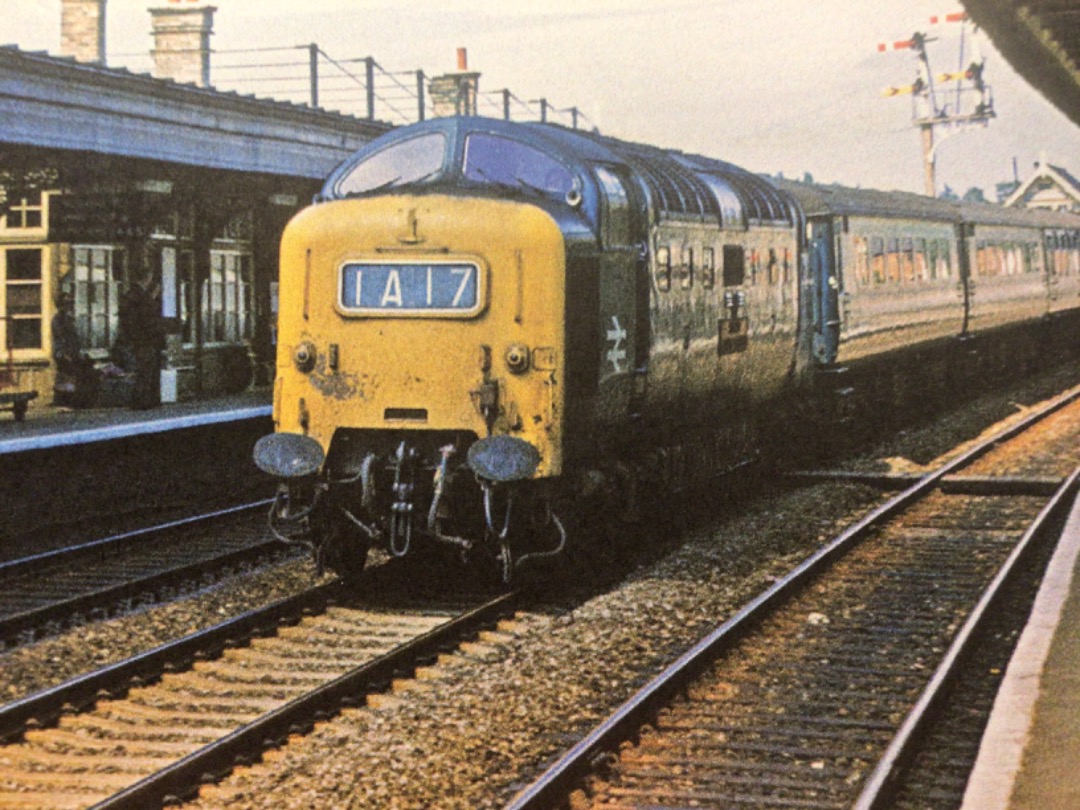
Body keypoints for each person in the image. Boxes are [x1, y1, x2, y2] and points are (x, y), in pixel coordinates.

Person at [114, 280, 164, 409]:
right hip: (145, 340)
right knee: (146, 370)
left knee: (145, 370)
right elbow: (146, 320)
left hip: (139, 341)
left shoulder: (130, 298)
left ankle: (145, 400)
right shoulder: (142, 301)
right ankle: (142, 400)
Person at [51, 291, 97, 407]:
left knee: (72, 376)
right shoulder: (59, 319)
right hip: (64, 352)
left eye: (70, 303)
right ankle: (63, 400)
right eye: (66, 303)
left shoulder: (68, 318)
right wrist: (64, 353)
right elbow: (61, 337)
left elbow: (75, 337)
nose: (69, 306)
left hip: (72, 351)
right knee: (66, 375)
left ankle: (72, 400)